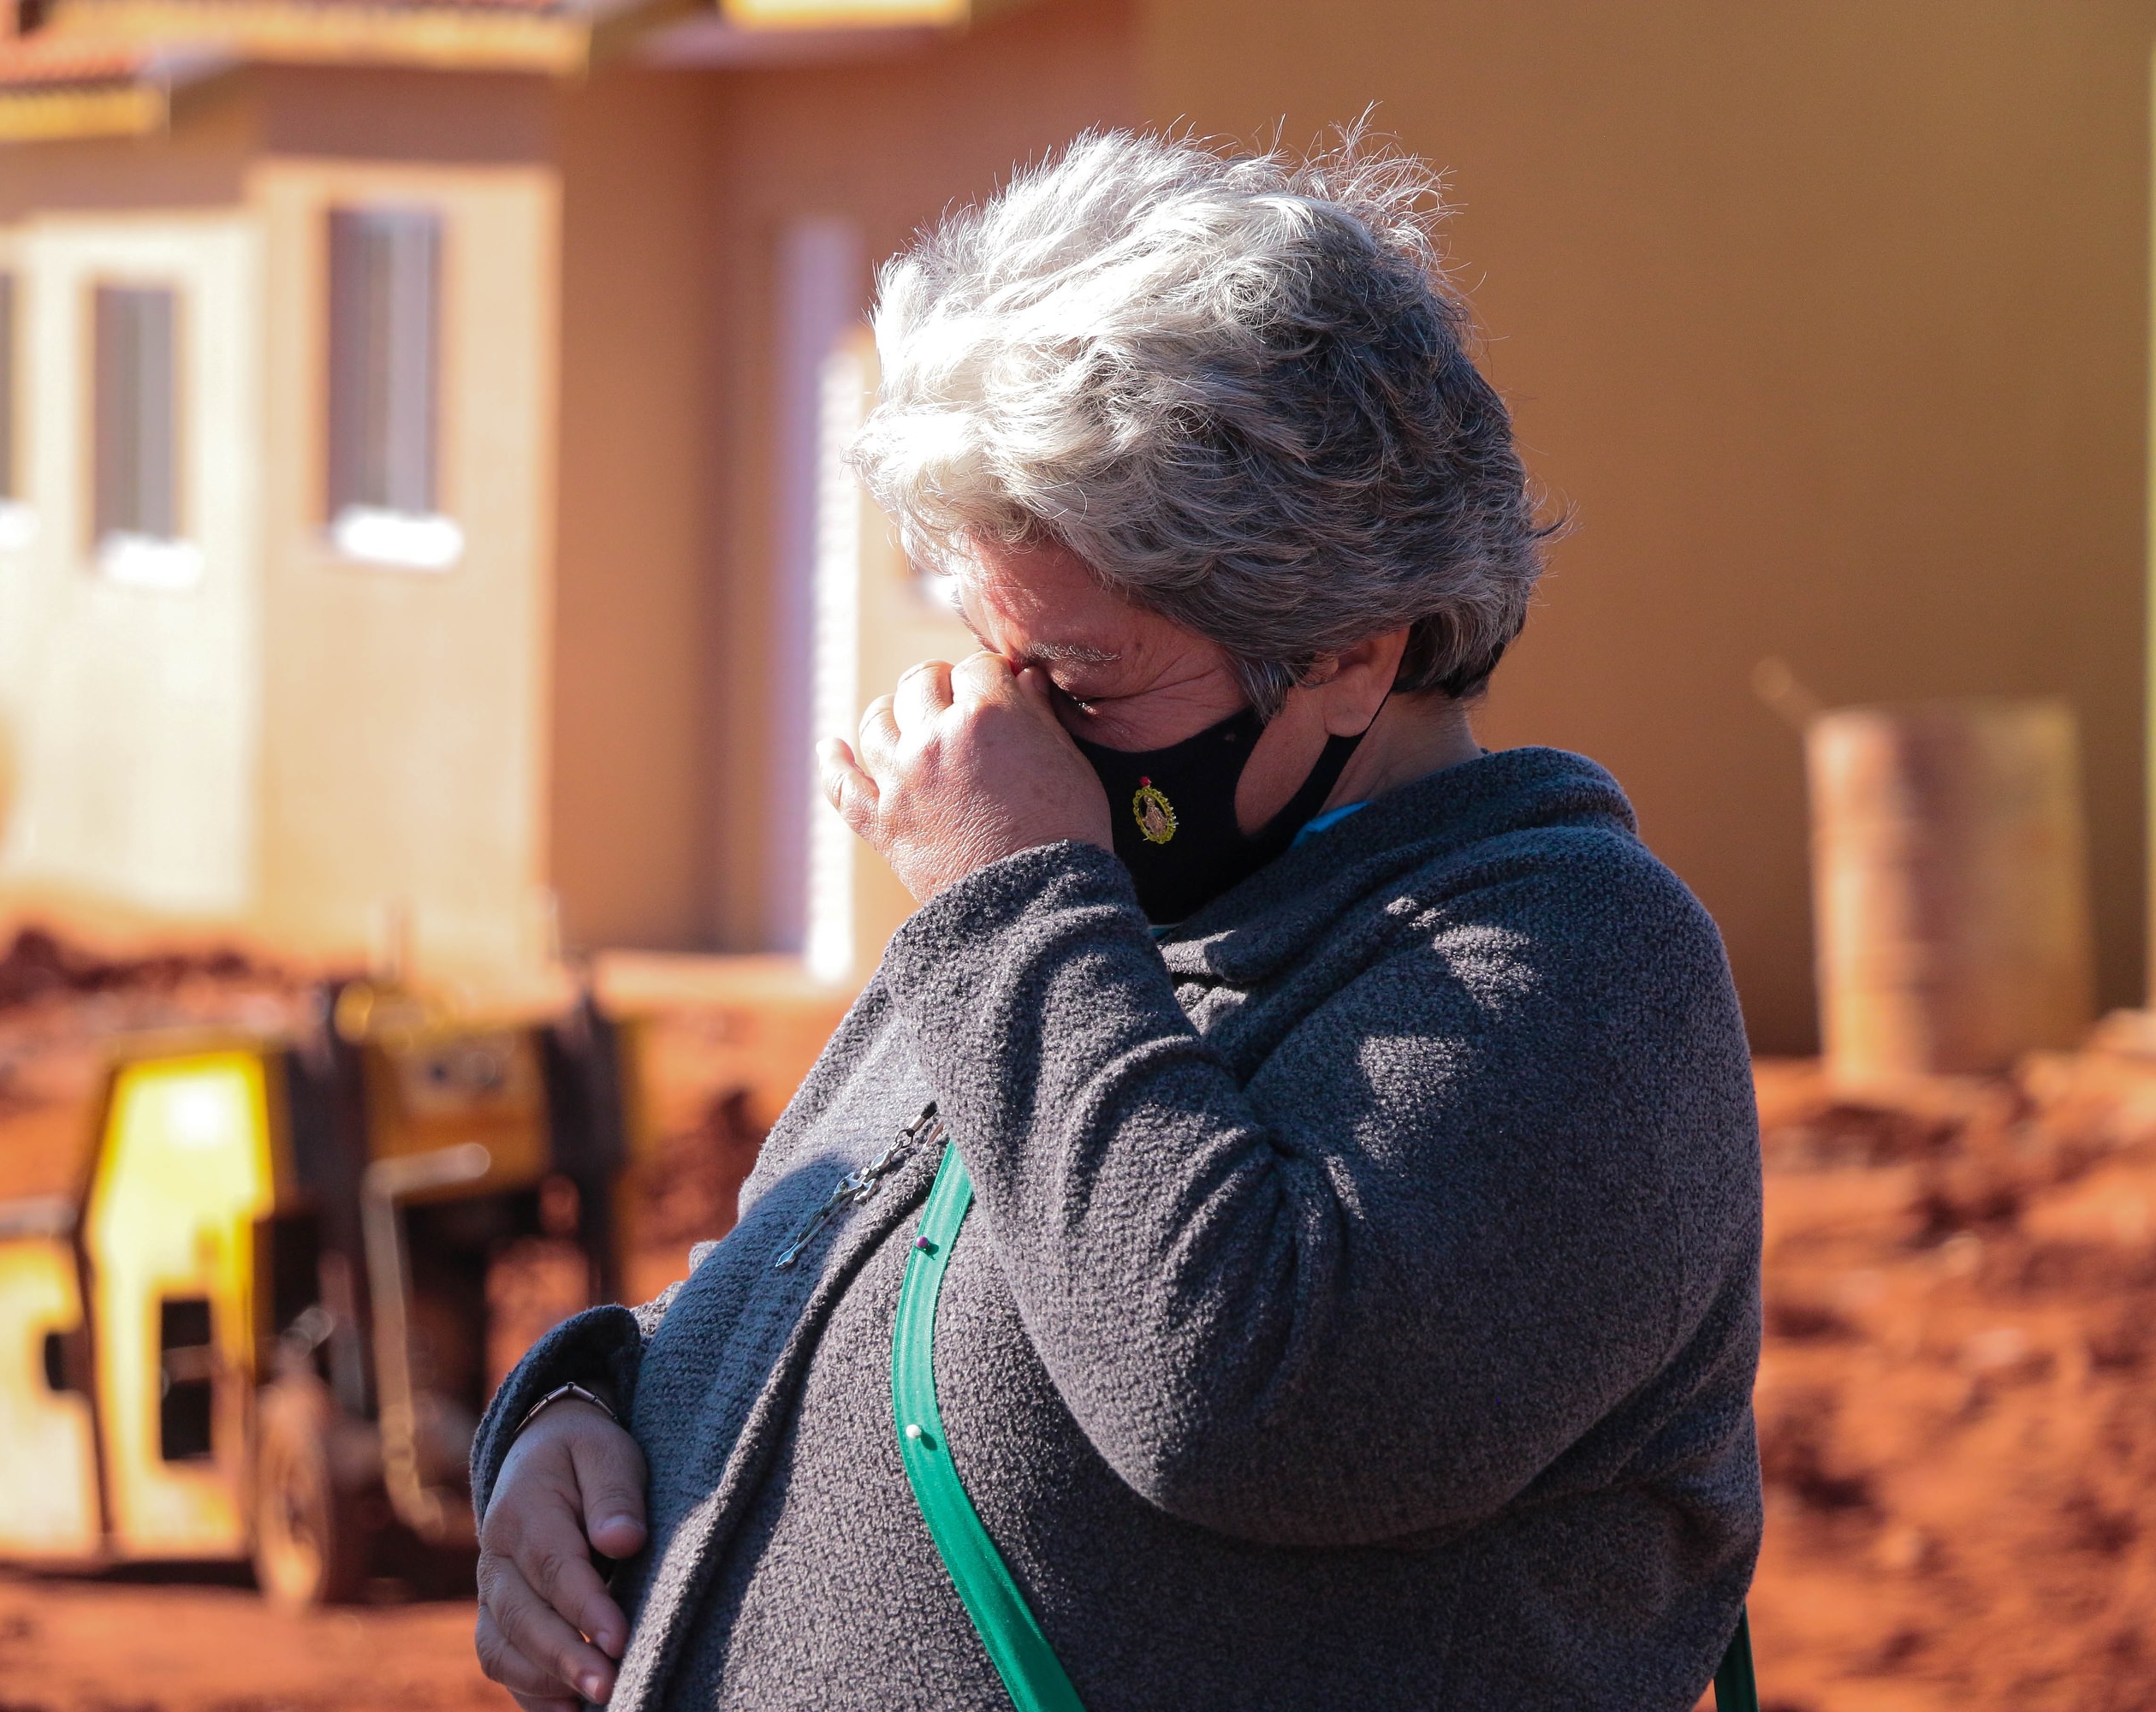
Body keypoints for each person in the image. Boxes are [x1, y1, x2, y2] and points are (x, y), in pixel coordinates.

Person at [470, 127, 1761, 1712]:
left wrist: (1012, 900)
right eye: (993, 654)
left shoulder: (1579, 971)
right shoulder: (1079, 922)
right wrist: (586, 1411)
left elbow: (1241, 1404)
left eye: (1082, 679)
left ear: (1354, 653)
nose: (1003, 728)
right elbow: (833, 1284)